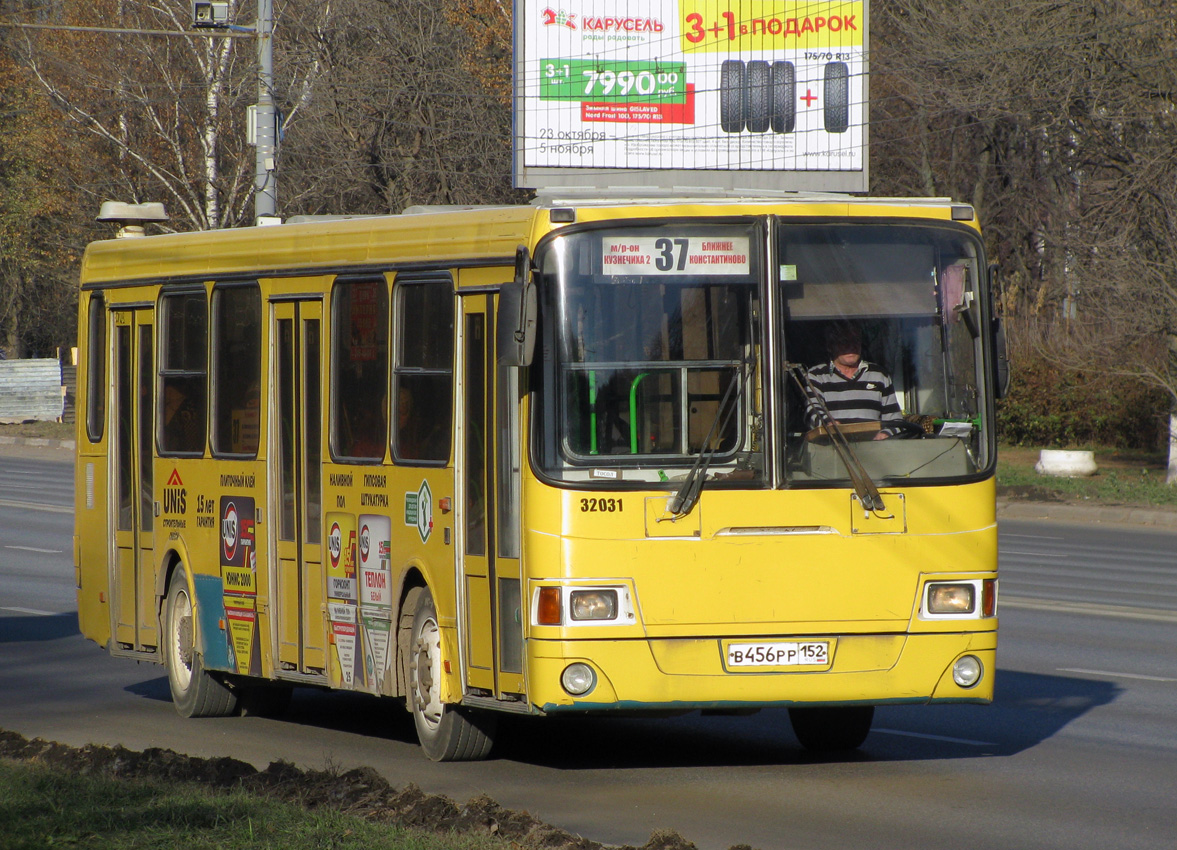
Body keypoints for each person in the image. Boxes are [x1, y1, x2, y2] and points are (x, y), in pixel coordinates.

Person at [804, 323, 904, 440]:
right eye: (844, 341)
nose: (850, 346)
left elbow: (895, 419)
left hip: (874, 451)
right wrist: (829, 425)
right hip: (833, 450)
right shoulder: (817, 375)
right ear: (830, 346)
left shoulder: (879, 375)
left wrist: (885, 434)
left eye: (855, 340)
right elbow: (812, 411)